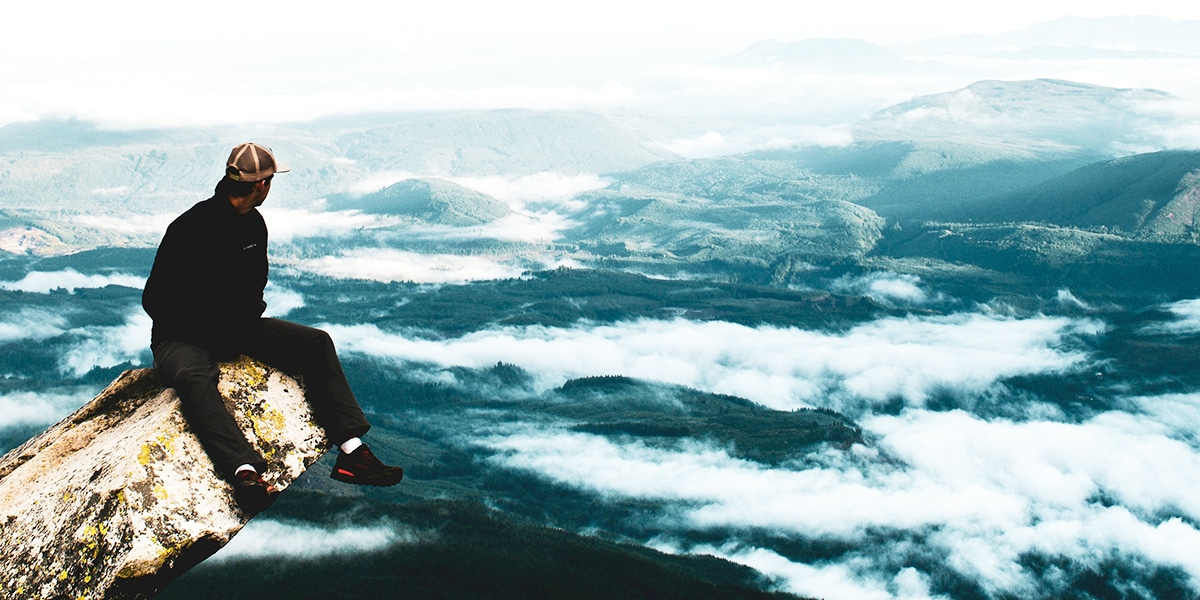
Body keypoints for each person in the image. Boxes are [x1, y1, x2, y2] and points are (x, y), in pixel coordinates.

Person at [142, 142, 404, 513]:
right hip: (179, 335)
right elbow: (155, 301)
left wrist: (239, 322)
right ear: (261, 185)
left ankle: (352, 452)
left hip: (235, 327)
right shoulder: (191, 226)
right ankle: (244, 472)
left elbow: (254, 286)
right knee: (193, 376)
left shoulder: (253, 225)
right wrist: (210, 330)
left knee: (315, 343)